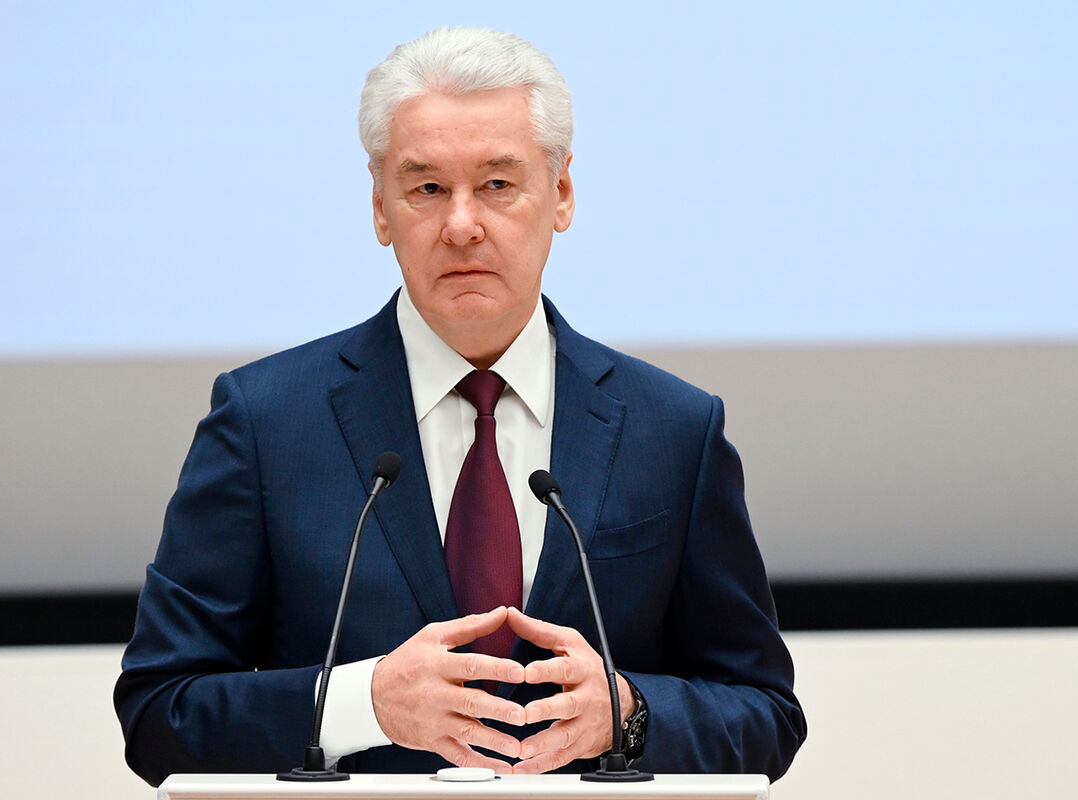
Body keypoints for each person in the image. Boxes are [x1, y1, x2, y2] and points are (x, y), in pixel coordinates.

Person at [114, 26, 805, 786]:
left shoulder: (672, 429)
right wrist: (362, 704)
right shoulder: (265, 421)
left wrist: (630, 713)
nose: (462, 225)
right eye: (428, 189)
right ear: (380, 207)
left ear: (562, 193)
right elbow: (158, 714)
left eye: (498, 185)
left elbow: (765, 714)